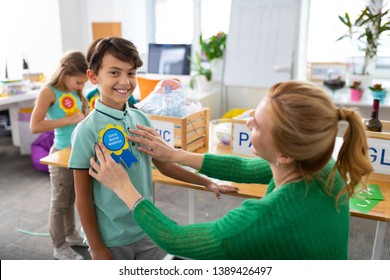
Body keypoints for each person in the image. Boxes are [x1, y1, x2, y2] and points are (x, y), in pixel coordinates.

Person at [88, 81, 374, 260]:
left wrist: (125, 189)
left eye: (258, 124)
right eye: (254, 114)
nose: (248, 122)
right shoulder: (322, 166)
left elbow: (175, 239)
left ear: (286, 154)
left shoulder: (259, 220)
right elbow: (249, 167)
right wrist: (178, 154)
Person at [68, 37, 238, 260]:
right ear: (93, 76)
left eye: (131, 73)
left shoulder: (140, 119)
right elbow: (82, 197)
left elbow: (166, 166)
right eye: (114, 73)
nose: (125, 81)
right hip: (111, 238)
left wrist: (206, 181)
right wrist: (98, 248)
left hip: (147, 226)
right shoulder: (86, 130)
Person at [30, 51, 89, 260]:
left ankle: (71, 233)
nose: (81, 86)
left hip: (77, 154)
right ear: (65, 73)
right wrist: (69, 120)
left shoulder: (76, 93)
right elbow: (35, 126)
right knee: (59, 203)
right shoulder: (49, 92)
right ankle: (59, 245)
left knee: (72, 198)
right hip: (60, 155)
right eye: (79, 82)